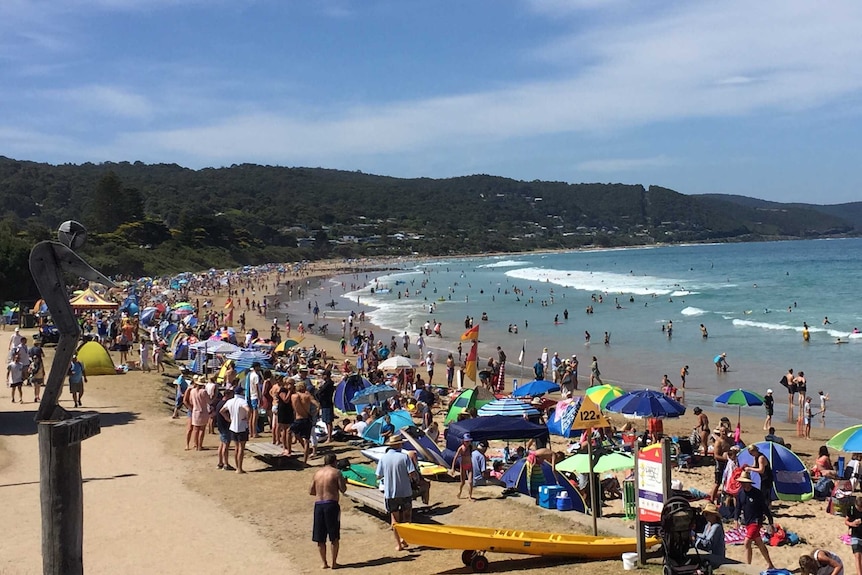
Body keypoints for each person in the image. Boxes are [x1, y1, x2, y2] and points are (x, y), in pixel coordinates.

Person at [375, 435, 418, 552]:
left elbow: (378, 475)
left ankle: (398, 544)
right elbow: (412, 474)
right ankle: (405, 539)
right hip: (405, 491)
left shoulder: (383, 458)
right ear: (399, 445)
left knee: (394, 519)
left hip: (390, 493)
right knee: (407, 517)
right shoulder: (404, 457)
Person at [310, 452, 347, 570]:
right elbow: (343, 489)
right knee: (334, 536)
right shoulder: (336, 473)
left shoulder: (317, 473)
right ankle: (334, 563)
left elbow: (311, 491)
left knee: (320, 537)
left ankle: (324, 563)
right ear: (334, 462)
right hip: (331, 504)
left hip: (319, 505)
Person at [734, 471, 775, 569]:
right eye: (742, 483)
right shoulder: (740, 494)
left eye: (745, 483)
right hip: (748, 521)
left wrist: (770, 520)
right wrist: (735, 519)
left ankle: (748, 566)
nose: (744, 485)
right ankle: (770, 564)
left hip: (756, 521)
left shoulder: (757, 493)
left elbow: (764, 507)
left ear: (749, 483)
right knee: (759, 543)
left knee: (747, 542)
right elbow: (738, 508)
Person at [219, 386, 250, 473]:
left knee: (236, 447)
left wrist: (228, 418)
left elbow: (222, 411)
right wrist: (247, 418)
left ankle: (237, 467)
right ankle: (239, 468)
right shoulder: (242, 401)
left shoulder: (230, 401)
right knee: (241, 448)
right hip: (242, 426)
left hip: (233, 426)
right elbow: (248, 409)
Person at [291, 381, 320, 464]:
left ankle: (288, 449)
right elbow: (317, 405)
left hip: (298, 418)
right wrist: (314, 413)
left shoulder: (294, 396)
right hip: (307, 419)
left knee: (290, 432)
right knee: (307, 440)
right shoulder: (307, 396)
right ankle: (305, 461)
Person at [743, 444, 775, 518]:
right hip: (763, 478)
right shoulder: (756, 457)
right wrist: (748, 466)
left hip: (767, 478)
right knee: (763, 494)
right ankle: (766, 510)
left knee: (765, 495)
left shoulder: (761, 458)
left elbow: (761, 470)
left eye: (751, 453)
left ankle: (766, 511)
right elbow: (755, 466)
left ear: (754, 451)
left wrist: (750, 469)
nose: (751, 455)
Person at [215, 385, 235, 470]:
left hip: (220, 426)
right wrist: (229, 419)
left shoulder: (219, 403)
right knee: (226, 447)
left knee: (221, 445)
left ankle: (220, 462)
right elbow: (223, 413)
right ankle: (226, 464)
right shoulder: (225, 404)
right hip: (225, 427)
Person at [710, 426, 731, 502]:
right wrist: (726, 459)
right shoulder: (718, 442)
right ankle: (712, 499)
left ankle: (725, 499)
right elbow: (716, 456)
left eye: (725, 431)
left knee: (727, 482)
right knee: (717, 483)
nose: (724, 433)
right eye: (722, 431)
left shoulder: (729, 441)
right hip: (720, 464)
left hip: (728, 464)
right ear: (720, 432)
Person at [451, 434, 474, 500]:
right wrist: (453, 468)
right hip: (463, 466)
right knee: (463, 482)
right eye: (466, 441)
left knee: (470, 481)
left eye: (469, 441)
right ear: (463, 441)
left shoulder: (470, 447)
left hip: (470, 466)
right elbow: (455, 457)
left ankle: (470, 496)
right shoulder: (461, 448)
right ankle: (460, 492)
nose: (468, 443)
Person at [844, 496, 862, 575]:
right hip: (855, 534)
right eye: (859, 508)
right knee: (857, 556)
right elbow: (846, 521)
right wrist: (852, 524)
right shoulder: (851, 509)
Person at [317, 370, 336, 443]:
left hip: (327, 403)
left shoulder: (329, 384)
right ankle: (329, 436)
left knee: (328, 421)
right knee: (325, 420)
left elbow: (321, 392)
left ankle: (329, 437)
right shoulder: (327, 383)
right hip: (324, 403)